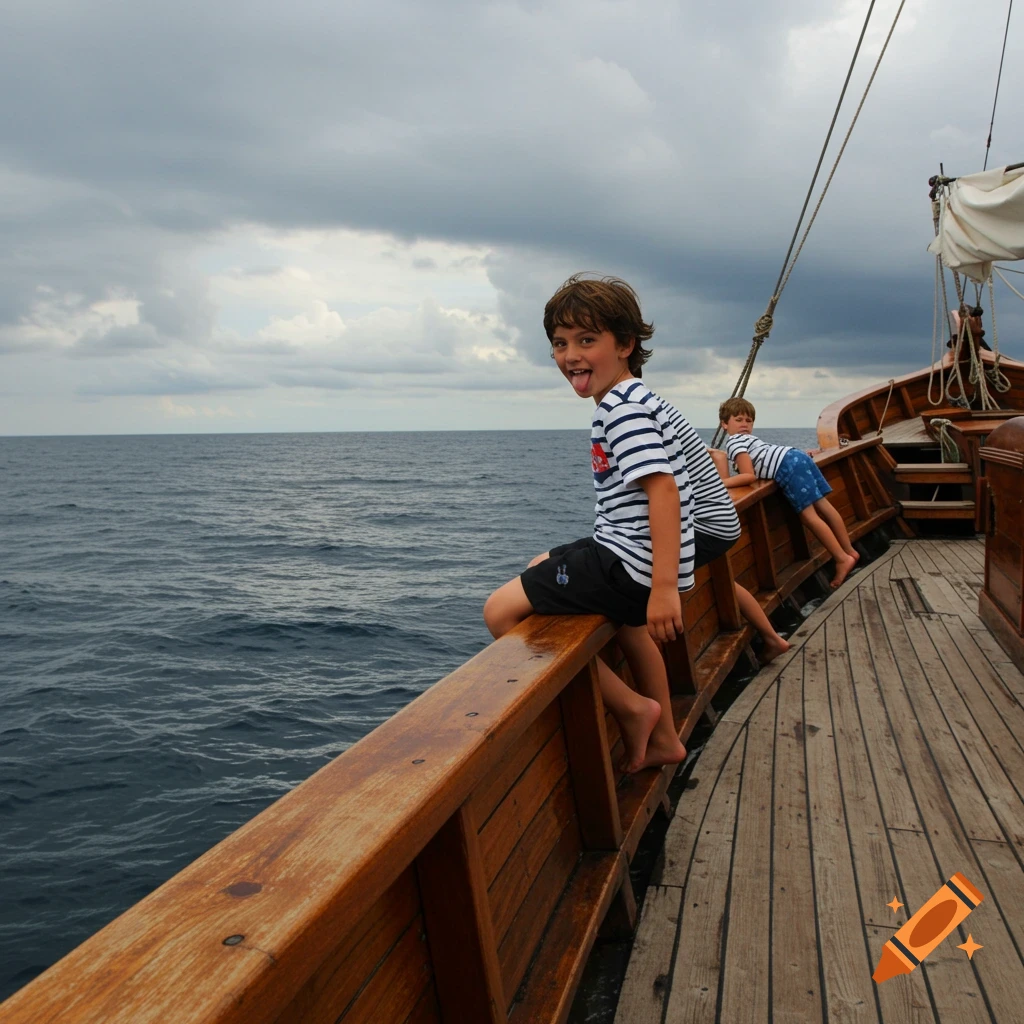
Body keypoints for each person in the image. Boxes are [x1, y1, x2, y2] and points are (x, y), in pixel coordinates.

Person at [483, 275, 783, 774]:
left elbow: (663, 488)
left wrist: (664, 588)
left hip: (633, 560)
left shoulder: (620, 410)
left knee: (499, 611)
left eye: (586, 340)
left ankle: (631, 707)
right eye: (560, 344)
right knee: (554, 569)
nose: (570, 354)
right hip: (632, 552)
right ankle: (664, 737)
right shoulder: (637, 399)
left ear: (625, 345)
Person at [717, 397, 859, 589]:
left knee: (809, 516)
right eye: (739, 419)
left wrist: (722, 482)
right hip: (796, 456)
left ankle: (842, 558)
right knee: (824, 506)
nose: (744, 424)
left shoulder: (734, 442)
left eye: (748, 421)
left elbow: (748, 476)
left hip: (787, 466)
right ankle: (850, 550)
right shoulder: (751, 439)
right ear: (724, 423)